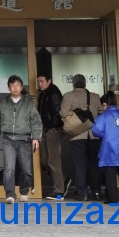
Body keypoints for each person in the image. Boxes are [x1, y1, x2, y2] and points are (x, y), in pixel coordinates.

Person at [0, 75, 42, 204]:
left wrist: (36, 137)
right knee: (9, 167)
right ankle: (10, 194)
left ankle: (24, 191)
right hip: (8, 138)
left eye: (18, 85)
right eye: (12, 85)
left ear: (21, 87)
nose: (15, 88)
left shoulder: (28, 103)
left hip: (25, 139)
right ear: (9, 87)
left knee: (26, 168)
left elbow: (36, 121)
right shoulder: (2, 103)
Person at [60, 73, 102, 201]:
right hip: (94, 135)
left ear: (73, 84)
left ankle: (82, 192)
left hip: (77, 135)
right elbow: (101, 113)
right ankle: (96, 192)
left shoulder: (68, 96)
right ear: (85, 84)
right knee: (94, 164)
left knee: (79, 164)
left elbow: (63, 113)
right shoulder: (95, 97)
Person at [37, 71, 66, 200]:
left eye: (42, 81)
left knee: (53, 160)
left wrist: (54, 126)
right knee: (45, 160)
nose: (40, 84)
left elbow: (57, 112)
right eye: (38, 81)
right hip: (45, 130)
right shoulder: (43, 94)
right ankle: (62, 180)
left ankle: (59, 191)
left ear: (49, 81)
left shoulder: (53, 93)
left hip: (53, 130)